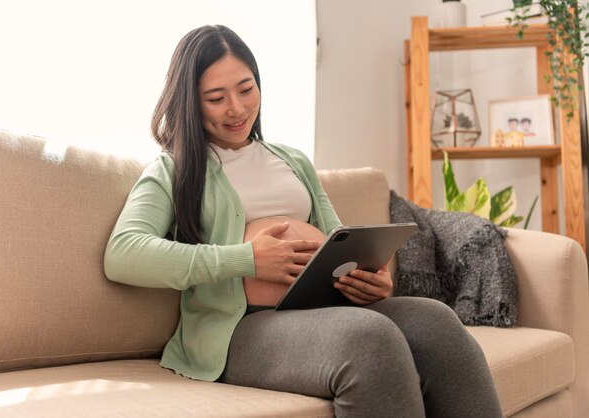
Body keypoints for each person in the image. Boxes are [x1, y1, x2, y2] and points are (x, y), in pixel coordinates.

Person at [104, 25, 503, 418]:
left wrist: (368, 278)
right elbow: (124, 253)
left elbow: (338, 239)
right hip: (240, 330)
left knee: (436, 323)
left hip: (324, 309)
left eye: (246, 89)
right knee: (369, 340)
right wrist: (247, 259)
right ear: (190, 101)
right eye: (215, 97)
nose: (237, 108)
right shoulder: (174, 168)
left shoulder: (291, 160)